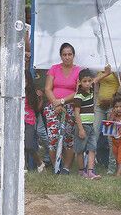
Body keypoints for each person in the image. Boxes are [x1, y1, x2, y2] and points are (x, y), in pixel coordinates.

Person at [43, 42, 81, 173]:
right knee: (53, 138)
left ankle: (66, 167)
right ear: (60, 56)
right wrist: (55, 103)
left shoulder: (78, 70)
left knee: (68, 138)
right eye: (64, 54)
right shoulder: (54, 68)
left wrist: (62, 101)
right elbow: (47, 89)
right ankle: (56, 167)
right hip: (53, 107)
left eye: (70, 54)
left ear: (73, 55)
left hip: (70, 108)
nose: (67, 57)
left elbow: (78, 91)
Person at [73, 69, 100, 179]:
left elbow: (97, 80)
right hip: (82, 126)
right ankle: (81, 171)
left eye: (89, 81)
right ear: (79, 82)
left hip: (90, 125)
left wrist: (107, 72)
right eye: (85, 81)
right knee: (80, 150)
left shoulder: (91, 90)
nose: (88, 83)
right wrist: (80, 129)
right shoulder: (79, 96)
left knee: (92, 148)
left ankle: (90, 171)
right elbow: (76, 113)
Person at [92, 64, 119, 175]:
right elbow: (93, 83)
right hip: (99, 107)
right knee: (94, 134)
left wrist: (112, 101)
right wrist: (106, 73)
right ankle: (90, 165)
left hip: (112, 108)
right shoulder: (99, 67)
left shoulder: (118, 68)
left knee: (110, 138)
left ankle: (112, 168)